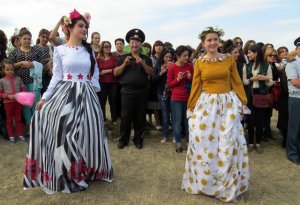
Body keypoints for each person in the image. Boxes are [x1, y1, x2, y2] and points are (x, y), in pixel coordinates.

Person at [23, 9, 113, 193]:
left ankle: (88, 170)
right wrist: (45, 98)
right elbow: (56, 77)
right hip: (66, 92)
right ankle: (69, 172)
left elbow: (94, 73)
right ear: (69, 28)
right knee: (64, 130)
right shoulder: (60, 50)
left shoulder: (89, 51)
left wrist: (93, 88)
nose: (84, 29)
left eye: (86, 26)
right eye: (81, 26)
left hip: (86, 94)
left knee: (89, 132)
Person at [182, 27, 249, 202]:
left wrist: (243, 101)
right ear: (203, 43)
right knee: (204, 142)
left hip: (228, 105)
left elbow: (236, 81)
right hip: (207, 106)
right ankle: (207, 182)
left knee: (228, 143)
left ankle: (226, 184)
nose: (212, 43)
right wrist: (191, 107)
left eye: (215, 39)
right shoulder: (199, 62)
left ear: (219, 42)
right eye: (209, 40)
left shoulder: (228, 60)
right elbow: (196, 86)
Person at [114, 28, 154, 149]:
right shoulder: (122, 58)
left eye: (137, 41)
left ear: (141, 44)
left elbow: (151, 73)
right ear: (129, 44)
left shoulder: (146, 58)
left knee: (140, 117)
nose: (135, 44)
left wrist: (142, 63)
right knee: (126, 117)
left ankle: (138, 139)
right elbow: (115, 73)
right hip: (127, 92)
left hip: (142, 92)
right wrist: (124, 64)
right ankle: (123, 140)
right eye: (132, 41)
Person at [9, 28, 43, 126]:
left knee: (35, 103)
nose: (27, 40)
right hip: (20, 83)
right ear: (19, 39)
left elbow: (42, 64)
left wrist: (34, 65)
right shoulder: (14, 53)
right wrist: (20, 63)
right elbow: (9, 66)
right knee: (25, 105)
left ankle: (37, 125)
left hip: (35, 81)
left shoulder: (36, 51)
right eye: (25, 38)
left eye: (29, 39)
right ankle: (30, 126)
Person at [243, 45, 273, 154]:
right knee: (250, 120)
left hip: (261, 95)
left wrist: (266, 79)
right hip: (250, 95)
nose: (248, 55)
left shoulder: (266, 65)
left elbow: (271, 82)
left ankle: (258, 143)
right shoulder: (246, 66)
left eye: (250, 52)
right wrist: (252, 78)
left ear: (256, 53)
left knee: (260, 120)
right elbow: (244, 82)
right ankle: (251, 143)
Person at [167, 45, 193, 152]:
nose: (186, 58)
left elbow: (194, 82)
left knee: (187, 122)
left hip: (188, 98)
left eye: (187, 55)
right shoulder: (172, 67)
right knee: (177, 122)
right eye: (184, 56)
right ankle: (178, 143)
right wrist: (178, 79)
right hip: (176, 99)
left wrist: (190, 78)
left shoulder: (190, 66)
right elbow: (169, 85)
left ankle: (188, 142)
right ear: (178, 56)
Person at [0, 59, 27, 144]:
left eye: (11, 69)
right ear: (3, 70)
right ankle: (11, 137)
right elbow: (0, 93)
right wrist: (7, 96)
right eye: (7, 69)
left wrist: (20, 95)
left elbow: (24, 89)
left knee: (18, 119)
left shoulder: (18, 79)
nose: (10, 71)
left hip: (18, 103)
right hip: (8, 104)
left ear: (13, 69)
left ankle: (20, 135)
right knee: (9, 120)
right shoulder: (1, 81)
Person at [152, 47, 175, 143]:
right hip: (161, 93)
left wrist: (172, 69)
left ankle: (175, 135)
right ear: (163, 57)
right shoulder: (157, 66)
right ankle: (165, 135)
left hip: (174, 93)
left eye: (170, 57)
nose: (168, 59)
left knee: (174, 115)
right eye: (166, 57)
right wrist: (161, 72)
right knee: (165, 115)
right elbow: (153, 80)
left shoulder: (175, 66)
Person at [285, 37, 300, 165]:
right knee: (295, 127)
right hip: (296, 98)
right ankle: (292, 154)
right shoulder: (292, 63)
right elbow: (295, 82)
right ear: (296, 49)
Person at [97, 41, 118, 123]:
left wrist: (106, 71)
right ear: (102, 48)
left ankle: (114, 119)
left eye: (109, 46)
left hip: (113, 83)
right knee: (102, 101)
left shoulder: (114, 58)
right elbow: (96, 72)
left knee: (113, 101)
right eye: (106, 46)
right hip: (102, 83)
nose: (108, 48)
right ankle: (103, 119)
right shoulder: (98, 60)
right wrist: (102, 72)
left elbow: (117, 70)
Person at [276, 47, 289, 147]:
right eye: (282, 52)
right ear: (279, 54)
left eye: (286, 51)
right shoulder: (276, 65)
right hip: (282, 94)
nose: (284, 53)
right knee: (284, 116)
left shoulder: (291, 62)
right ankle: (284, 139)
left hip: (291, 93)